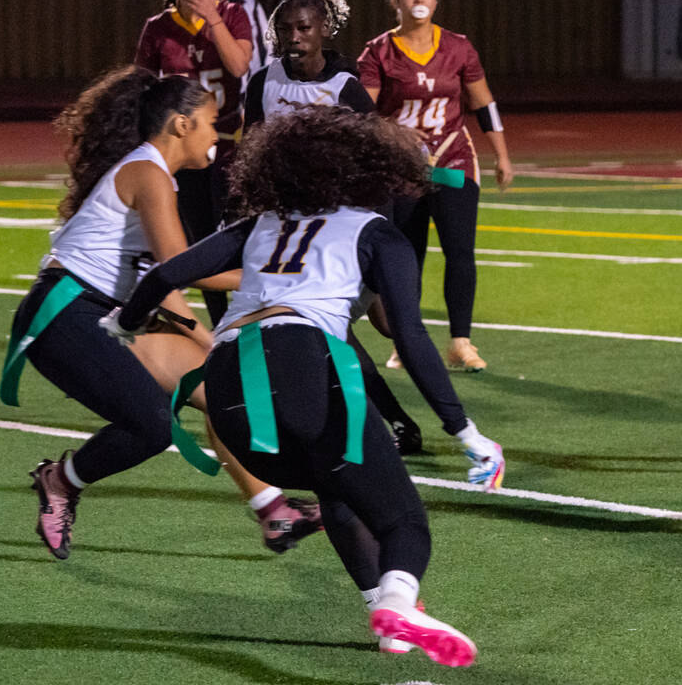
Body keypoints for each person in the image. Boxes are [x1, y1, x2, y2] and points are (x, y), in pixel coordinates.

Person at [101, 105, 503, 666]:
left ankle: (386, 622)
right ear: (371, 171)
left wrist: (123, 323)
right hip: (300, 363)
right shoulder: (377, 233)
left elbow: (167, 274)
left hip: (229, 387)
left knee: (336, 484)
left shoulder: (262, 222)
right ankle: (398, 604)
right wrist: (465, 432)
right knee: (403, 520)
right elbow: (410, 339)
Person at [2, 67, 320, 560]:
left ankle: (274, 512)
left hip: (105, 311)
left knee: (222, 391)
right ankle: (61, 480)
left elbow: (162, 284)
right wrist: (269, 277)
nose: (217, 135)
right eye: (210, 122)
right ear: (181, 124)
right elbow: (178, 269)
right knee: (151, 427)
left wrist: (209, 338)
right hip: (62, 314)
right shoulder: (150, 175)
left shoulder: (155, 175)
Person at [243, 0, 424, 455]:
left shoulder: (345, 89)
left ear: (325, 28)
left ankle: (442, 414)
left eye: (304, 27)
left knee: (392, 326)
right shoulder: (264, 82)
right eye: (286, 28)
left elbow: (377, 160)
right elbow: (249, 156)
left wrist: (376, 235)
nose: (294, 37)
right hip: (296, 234)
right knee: (335, 330)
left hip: (345, 225)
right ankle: (399, 423)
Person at [358, 0, 514, 373]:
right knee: (406, 255)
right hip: (402, 167)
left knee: (460, 251)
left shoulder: (457, 47)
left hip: (452, 159)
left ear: (436, 0)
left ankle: (461, 341)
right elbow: (362, 112)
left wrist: (502, 154)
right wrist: (390, 137)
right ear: (395, 0)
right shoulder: (378, 52)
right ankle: (405, 340)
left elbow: (484, 103)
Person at [134, 0, 253, 326]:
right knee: (200, 240)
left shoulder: (232, 15)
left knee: (235, 234)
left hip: (227, 144)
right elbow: (142, 88)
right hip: (183, 152)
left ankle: (252, 315)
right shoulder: (157, 28)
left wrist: (212, 18)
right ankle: (222, 326)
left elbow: (238, 66)